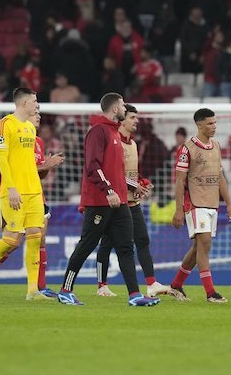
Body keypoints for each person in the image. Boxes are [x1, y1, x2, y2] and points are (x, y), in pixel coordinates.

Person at [57, 93, 159, 307]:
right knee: (87, 245)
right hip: (100, 201)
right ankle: (65, 290)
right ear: (115, 109)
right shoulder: (98, 132)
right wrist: (109, 189)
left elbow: (115, 170)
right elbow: (93, 166)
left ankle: (134, 295)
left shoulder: (113, 133)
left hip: (120, 201)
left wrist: (129, 188)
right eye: (122, 105)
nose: (125, 108)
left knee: (125, 247)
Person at [0, 106, 64, 298]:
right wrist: (45, 165)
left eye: (40, 114)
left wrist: (46, 167)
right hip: (16, 194)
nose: (38, 117)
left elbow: (38, 173)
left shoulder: (37, 142)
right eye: (35, 113)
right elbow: (18, 167)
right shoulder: (11, 132)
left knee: (39, 238)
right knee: (13, 241)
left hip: (36, 194)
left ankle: (39, 287)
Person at [0, 88, 46, 301]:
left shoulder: (30, 129)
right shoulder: (5, 125)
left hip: (34, 191)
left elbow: (27, 162)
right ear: (23, 103)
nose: (37, 105)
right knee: (12, 240)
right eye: (34, 101)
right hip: (13, 191)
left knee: (35, 236)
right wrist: (11, 187)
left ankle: (33, 291)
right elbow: (2, 159)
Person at [95, 104, 173, 298]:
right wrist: (133, 184)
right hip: (114, 203)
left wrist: (141, 183)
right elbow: (113, 173)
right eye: (132, 117)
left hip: (131, 201)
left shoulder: (134, 144)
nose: (136, 121)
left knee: (143, 240)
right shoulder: (114, 142)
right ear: (121, 120)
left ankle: (151, 283)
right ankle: (101, 285)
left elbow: (130, 173)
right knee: (107, 244)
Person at [170, 108, 231, 303]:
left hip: (212, 203)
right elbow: (180, 181)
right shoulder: (187, 148)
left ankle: (176, 286)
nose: (214, 126)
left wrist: (229, 203)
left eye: (215, 123)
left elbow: (220, 177)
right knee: (205, 243)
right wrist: (178, 209)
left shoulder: (216, 146)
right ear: (199, 124)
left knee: (198, 247)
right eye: (209, 123)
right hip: (195, 202)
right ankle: (210, 293)